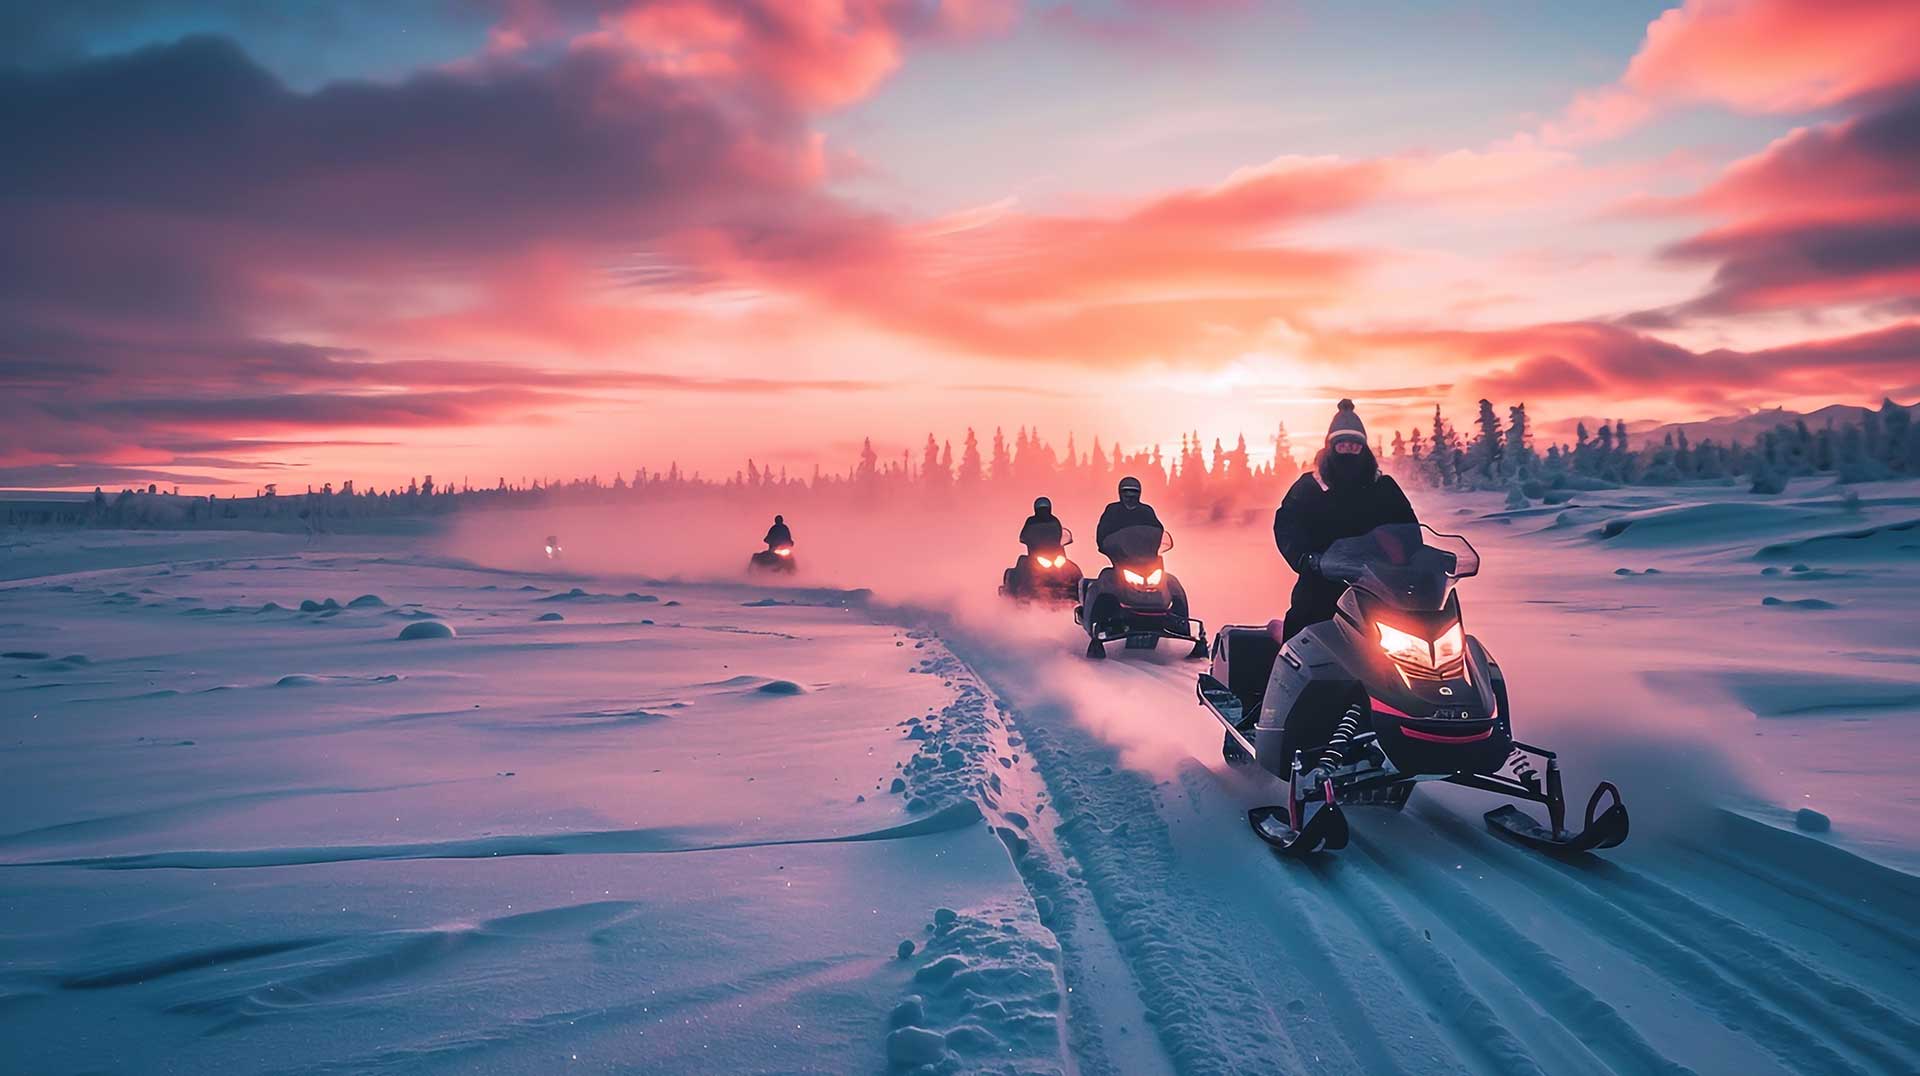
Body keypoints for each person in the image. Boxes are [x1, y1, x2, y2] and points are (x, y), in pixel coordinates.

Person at [1272, 399, 1417, 640]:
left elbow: (1408, 526)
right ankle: (1283, 672)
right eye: (1342, 446)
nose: (1349, 451)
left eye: (1354, 446)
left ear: (1363, 449)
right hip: (1322, 582)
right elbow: (1287, 524)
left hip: (1378, 585)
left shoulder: (1383, 487)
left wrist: (1415, 557)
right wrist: (1306, 558)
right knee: (1303, 631)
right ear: (1332, 448)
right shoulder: (1311, 485)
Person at [1095, 476, 1162, 558]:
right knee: (1107, 571)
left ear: (1139, 494)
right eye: (1127, 495)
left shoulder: (1146, 511)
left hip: (1146, 557)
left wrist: (1155, 547)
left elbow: (1157, 530)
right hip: (1120, 557)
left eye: (1133, 495)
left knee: (1163, 571)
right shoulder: (1113, 510)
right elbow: (1102, 531)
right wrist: (1104, 546)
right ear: (1120, 494)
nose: (1130, 498)